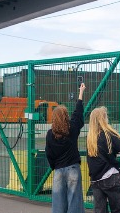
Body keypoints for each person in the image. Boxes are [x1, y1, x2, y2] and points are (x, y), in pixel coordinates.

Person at [86, 106, 120, 213]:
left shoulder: (90, 138)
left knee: (99, 210)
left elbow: (101, 152)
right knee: (117, 209)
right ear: (103, 119)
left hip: (95, 179)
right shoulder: (108, 134)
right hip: (109, 176)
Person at [45, 83, 86, 213]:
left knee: (58, 203)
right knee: (75, 201)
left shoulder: (50, 134)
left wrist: (54, 166)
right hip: (73, 168)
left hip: (58, 170)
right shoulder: (72, 129)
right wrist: (80, 94)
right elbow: (78, 115)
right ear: (66, 117)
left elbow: (49, 154)